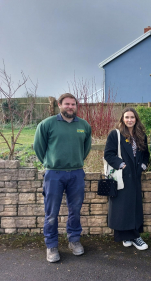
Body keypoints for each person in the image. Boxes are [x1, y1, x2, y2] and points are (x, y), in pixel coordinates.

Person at [34, 93, 92, 263]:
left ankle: (74, 240)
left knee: (75, 210)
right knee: (52, 212)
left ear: (76, 106)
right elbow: (39, 147)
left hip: (76, 173)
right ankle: (51, 245)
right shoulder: (47, 124)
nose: (70, 107)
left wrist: (77, 161)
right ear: (59, 105)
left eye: (73, 104)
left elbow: (86, 148)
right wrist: (49, 162)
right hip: (54, 174)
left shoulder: (84, 125)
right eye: (66, 104)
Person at [104, 107, 150, 250]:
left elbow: (146, 154)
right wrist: (121, 165)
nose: (130, 120)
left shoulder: (141, 135)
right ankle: (125, 236)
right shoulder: (115, 134)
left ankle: (135, 236)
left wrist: (143, 165)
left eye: (132, 117)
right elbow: (108, 154)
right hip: (121, 176)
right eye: (127, 117)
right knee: (121, 208)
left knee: (134, 206)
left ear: (136, 119)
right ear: (122, 119)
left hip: (135, 176)